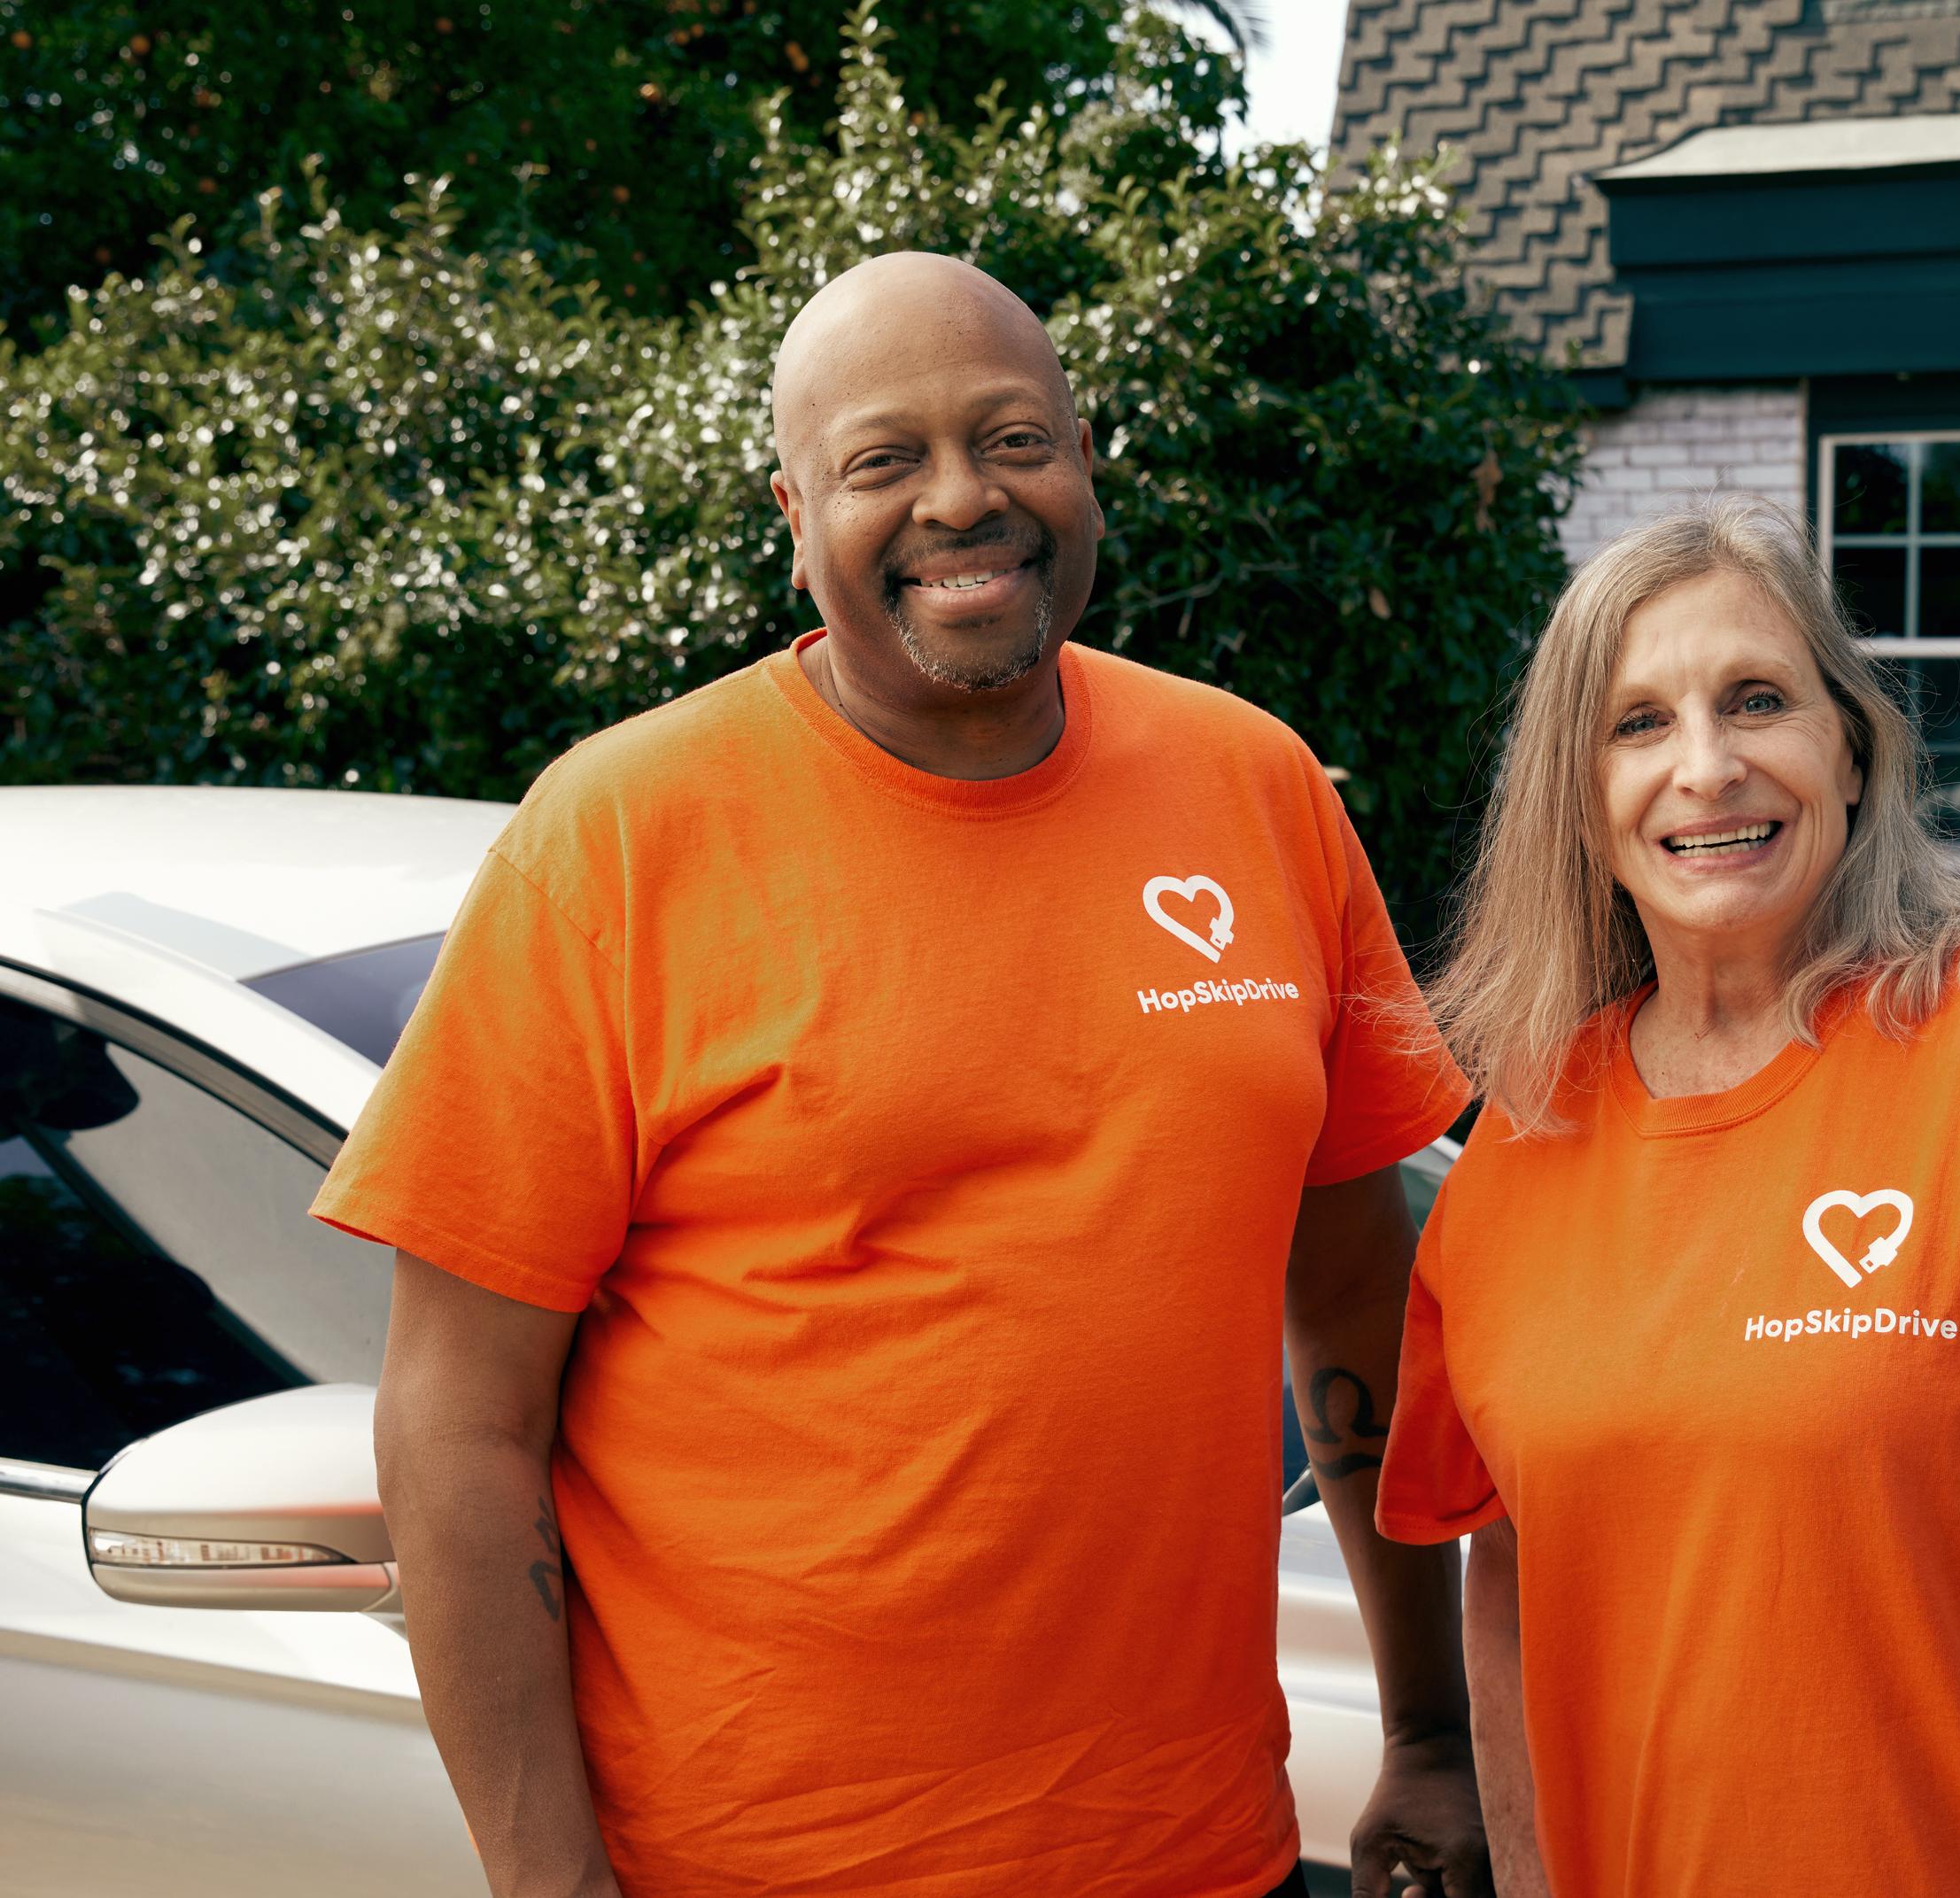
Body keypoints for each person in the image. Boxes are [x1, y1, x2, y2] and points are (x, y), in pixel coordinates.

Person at [316, 252, 1487, 1898]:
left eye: (1015, 440)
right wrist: (550, 1884)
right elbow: (455, 1419)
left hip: (1197, 1848)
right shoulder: (618, 841)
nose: (964, 500)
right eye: (885, 460)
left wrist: (1431, 1736)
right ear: (793, 508)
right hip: (753, 1864)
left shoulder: (1258, 787)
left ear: (1086, 465)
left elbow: (1362, 1300)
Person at [1375, 497, 1960, 1898]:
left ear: (1855, 750)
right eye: (1638, 724)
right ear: (1579, 799)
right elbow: (1510, 1591)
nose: (1707, 767)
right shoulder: (1520, 1143)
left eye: (1757, 700)